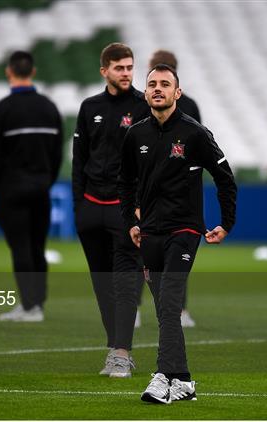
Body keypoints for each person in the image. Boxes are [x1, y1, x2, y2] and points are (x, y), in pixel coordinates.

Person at [119, 64, 237, 403]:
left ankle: (161, 376)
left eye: (165, 84)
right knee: (164, 309)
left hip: (184, 230)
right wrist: (131, 221)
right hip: (150, 232)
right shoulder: (135, 135)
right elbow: (125, 182)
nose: (157, 89)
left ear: (177, 93)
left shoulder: (195, 134)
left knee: (169, 301)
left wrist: (226, 222)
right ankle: (183, 380)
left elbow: (225, 177)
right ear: (145, 92)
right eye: (152, 84)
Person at [72, 43, 149, 378]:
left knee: (125, 284)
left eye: (130, 67)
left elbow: (152, 161)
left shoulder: (144, 106)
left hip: (125, 212)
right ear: (104, 70)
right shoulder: (90, 107)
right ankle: (115, 347)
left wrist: (143, 208)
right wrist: (79, 207)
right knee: (102, 286)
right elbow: (79, 161)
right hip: (92, 209)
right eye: (119, 68)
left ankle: (121, 353)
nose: (126, 73)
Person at [0, 51, 63, 322]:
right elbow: (57, 154)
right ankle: (37, 305)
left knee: (20, 247)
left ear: (9, 72)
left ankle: (28, 306)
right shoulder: (49, 107)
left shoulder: (1, 109)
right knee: (37, 246)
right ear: (33, 71)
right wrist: (46, 181)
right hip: (40, 188)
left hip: (10, 189)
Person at [133, 50, 203, 329]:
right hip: (180, 193)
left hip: (150, 190)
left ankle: (135, 308)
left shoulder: (145, 102)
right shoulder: (192, 105)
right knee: (179, 253)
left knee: (143, 251)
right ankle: (181, 310)